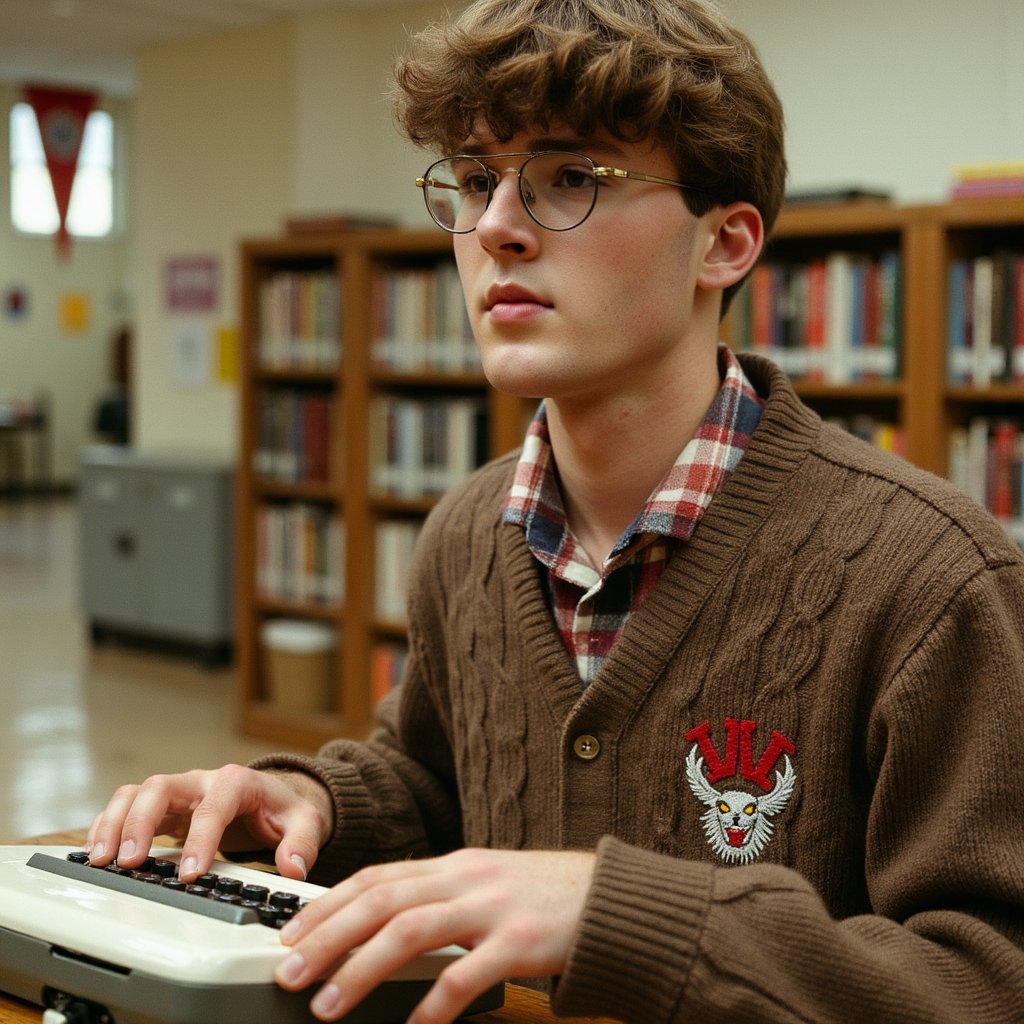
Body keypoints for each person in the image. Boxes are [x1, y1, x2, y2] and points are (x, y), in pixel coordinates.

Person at [87, 0, 1024, 1021]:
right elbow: (440, 784)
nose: (494, 227)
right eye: (478, 180)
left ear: (725, 243)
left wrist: (623, 913)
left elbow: (987, 976)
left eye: (570, 178)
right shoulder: (464, 536)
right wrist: (315, 804)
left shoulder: (932, 578)